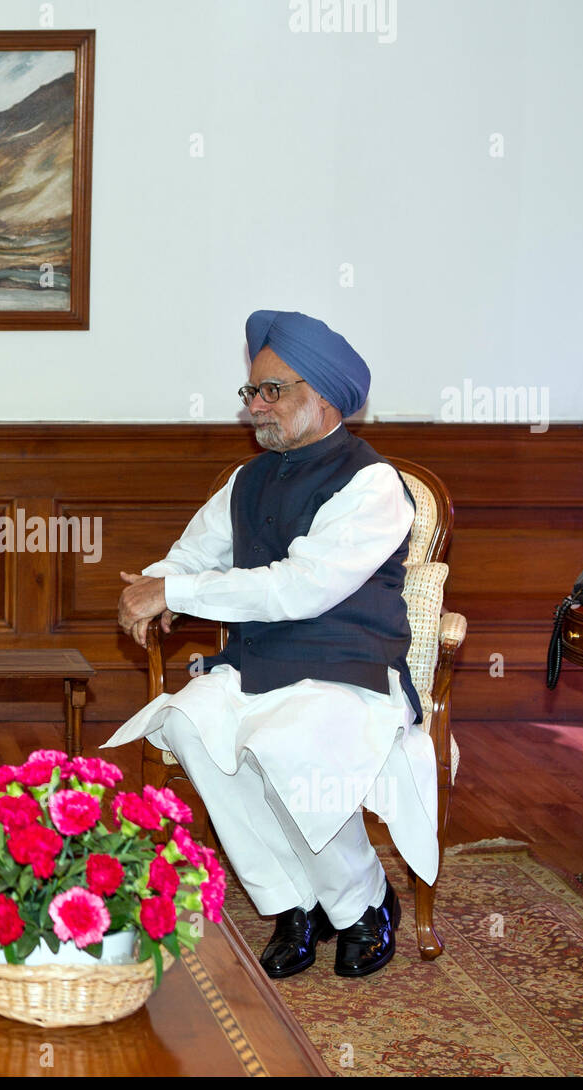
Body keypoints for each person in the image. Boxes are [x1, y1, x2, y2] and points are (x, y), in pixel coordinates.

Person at [104, 309, 438, 979]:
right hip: (261, 663)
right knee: (188, 722)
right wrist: (151, 585)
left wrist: (177, 595)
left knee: (285, 737)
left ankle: (362, 902)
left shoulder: (373, 485)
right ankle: (291, 903)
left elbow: (299, 588)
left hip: (351, 672)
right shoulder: (247, 479)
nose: (254, 404)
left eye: (271, 390)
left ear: (323, 394)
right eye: (250, 392)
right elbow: (194, 554)